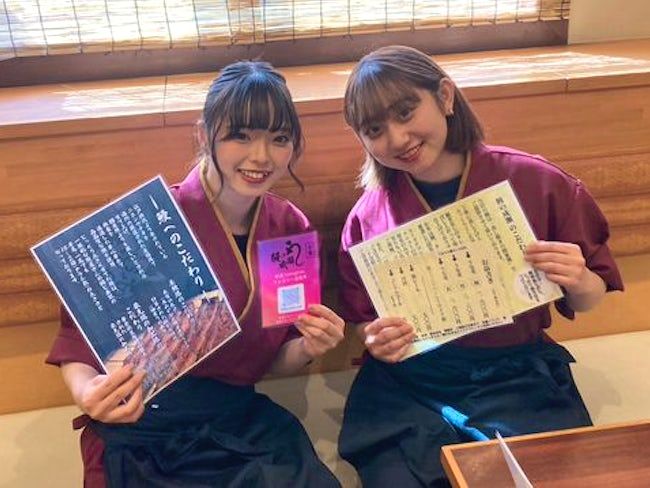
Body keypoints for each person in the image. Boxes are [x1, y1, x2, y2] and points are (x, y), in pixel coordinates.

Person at [46, 60, 344, 488]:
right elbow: (78, 338)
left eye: (279, 139)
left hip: (237, 421)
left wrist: (310, 346)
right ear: (205, 135)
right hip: (143, 428)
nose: (261, 156)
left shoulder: (290, 231)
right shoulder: (151, 218)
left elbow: (278, 358)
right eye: (241, 135)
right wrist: (87, 392)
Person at [336, 45, 623, 487]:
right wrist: (375, 338)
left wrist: (579, 277)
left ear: (445, 97)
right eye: (375, 129)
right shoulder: (367, 216)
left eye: (406, 112)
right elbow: (363, 318)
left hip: (515, 376)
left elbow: (590, 296)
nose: (397, 138)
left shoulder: (538, 181)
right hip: (410, 384)